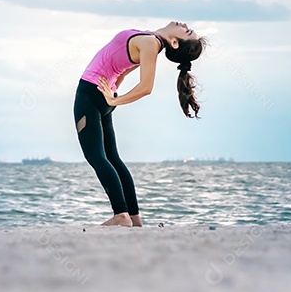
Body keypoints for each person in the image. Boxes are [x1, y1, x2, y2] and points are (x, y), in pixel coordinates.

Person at [74, 21, 208, 227]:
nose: (184, 24)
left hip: (90, 95)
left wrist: (113, 100)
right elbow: (124, 67)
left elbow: (146, 87)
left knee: (96, 157)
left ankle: (121, 215)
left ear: (174, 42)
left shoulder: (149, 44)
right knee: (112, 158)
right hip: (102, 93)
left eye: (186, 31)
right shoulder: (149, 40)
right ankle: (134, 219)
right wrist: (112, 91)